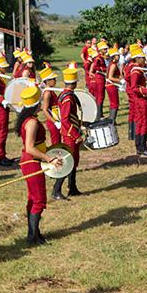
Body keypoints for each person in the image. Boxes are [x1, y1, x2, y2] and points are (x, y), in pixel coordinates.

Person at [15, 83, 64, 244]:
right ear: (36, 104)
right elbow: (29, 148)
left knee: (33, 198)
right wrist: (48, 158)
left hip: (33, 160)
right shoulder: (32, 123)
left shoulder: (30, 119)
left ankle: (35, 233)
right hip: (32, 162)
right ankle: (32, 237)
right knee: (38, 200)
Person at [53, 63, 84, 199]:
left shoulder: (66, 94)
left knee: (74, 161)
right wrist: (76, 135)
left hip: (70, 132)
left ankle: (72, 187)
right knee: (68, 162)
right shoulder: (67, 98)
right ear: (74, 83)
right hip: (69, 134)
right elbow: (65, 120)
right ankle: (56, 190)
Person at [126, 44, 147, 157]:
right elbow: (134, 87)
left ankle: (141, 146)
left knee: (143, 122)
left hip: (141, 99)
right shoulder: (136, 71)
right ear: (138, 59)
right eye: (143, 58)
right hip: (140, 99)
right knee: (142, 123)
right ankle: (141, 147)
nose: (145, 60)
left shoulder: (137, 69)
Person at [39, 64, 62, 146]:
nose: (55, 80)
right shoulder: (47, 93)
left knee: (58, 142)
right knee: (56, 143)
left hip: (56, 118)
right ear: (47, 81)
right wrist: (55, 122)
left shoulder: (51, 90)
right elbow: (45, 110)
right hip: (52, 121)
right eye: (53, 79)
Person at [104, 43, 123, 133]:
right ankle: (112, 121)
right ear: (114, 56)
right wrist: (119, 81)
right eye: (117, 56)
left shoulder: (112, 64)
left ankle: (112, 120)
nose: (118, 57)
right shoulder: (113, 65)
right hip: (111, 85)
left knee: (114, 103)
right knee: (115, 103)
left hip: (110, 85)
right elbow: (110, 77)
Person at [88, 41, 108, 120]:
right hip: (99, 78)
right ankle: (99, 115)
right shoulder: (98, 58)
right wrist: (103, 69)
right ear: (101, 50)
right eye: (104, 49)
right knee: (100, 96)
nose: (106, 50)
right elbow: (95, 66)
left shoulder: (101, 57)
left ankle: (100, 113)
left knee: (101, 96)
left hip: (101, 77)